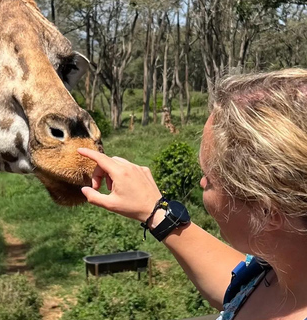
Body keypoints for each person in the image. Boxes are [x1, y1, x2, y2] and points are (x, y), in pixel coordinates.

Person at [78, 69, 307, 320]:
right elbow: (239, 289)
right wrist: (153, 210)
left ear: (266, 211)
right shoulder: (280, 269)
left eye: (209, 179)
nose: (201, 182)